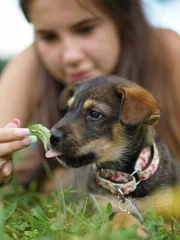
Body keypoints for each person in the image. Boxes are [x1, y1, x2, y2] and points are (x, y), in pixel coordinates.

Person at [0, 0, 180, 189]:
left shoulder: (168, 50)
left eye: (86, 29)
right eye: (49, 37)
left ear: (122, 22)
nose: (71, 55)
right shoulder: (29, 64)